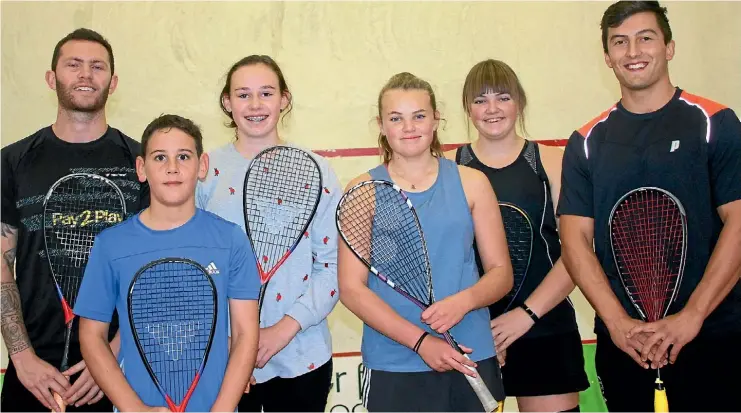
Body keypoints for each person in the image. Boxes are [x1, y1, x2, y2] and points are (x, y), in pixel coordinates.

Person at [558, 1, 741, 411]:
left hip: (714, 336)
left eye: (646, 38)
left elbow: (739, 223)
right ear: (607, 57)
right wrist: (619, 325)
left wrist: (693, 315)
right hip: (627, 347)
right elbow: (574, 241)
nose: (633, 51)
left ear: (669, 47)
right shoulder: (586, 142)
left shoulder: (716, 123)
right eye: (619, 42)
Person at [338, 72, 512, 412]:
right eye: (396, 118)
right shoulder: (363, 193)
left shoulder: (473, 183)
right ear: (381, 125)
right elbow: (351, 289)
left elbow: (500, 272)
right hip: (394, 362)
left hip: (471, 352)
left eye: (419, 116)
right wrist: (421, 343)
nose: (409, 127)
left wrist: (462, 302)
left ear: (436, 119)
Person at [1, 28, 148, 412]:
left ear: (112, 83)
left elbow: (152, 268)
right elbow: (0, 261)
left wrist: (114, 356)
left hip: (119, 374)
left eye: (97, 67)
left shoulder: (141, 163)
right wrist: (22, 358)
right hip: (32, 377)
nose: (86, 75)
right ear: (52, 79)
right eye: (74, 65)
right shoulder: (12, 162)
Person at [74, 114, 260, 412]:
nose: (172, 168)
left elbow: (245, 334)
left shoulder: (231, 240)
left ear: (202, 166)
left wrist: (221, 410)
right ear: (141, 168)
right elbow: (92, 336)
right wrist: (135, 409)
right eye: (160, 157)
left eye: (183, 156)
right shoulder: (110, 245)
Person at [196, 55, 342, 412]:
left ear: (284, 100)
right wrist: (228, 343)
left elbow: (333, 267)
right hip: (225, 357)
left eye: (266, 93)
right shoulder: (204, 170)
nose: (256, 104)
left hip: (302, 356)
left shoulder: (318, 170)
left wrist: (284, 329)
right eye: (243, 95)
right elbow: (196, 266)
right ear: (227, 103)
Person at [450, 59, 589, 412]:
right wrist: (480, 330)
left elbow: (577, 252)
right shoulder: (450, 169)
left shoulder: (553, 162)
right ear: (468, 108)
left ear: (520, 102)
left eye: (502, 97)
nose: (492, 109)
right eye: (480, 100)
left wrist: (526, 315)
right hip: (472, 337)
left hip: (544, 326)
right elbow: (447, 260)